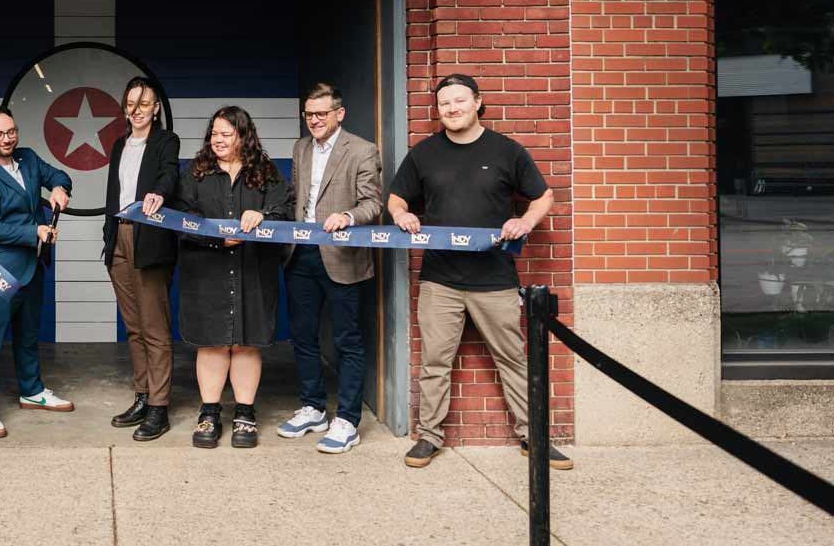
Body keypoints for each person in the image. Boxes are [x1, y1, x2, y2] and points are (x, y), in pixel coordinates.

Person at [387, 73, 570, 470]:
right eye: (444, 103)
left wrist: (525, 221)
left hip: (495, 279)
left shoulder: (507, 151)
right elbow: (396, 198)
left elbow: (543, 197)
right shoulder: (423, 154)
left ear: (477, 102)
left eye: (459, 100)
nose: (452, 109)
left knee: (513, 359)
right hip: (440, 279)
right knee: (435, 363)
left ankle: (535, 437)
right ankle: (429, 437)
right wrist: (401, 215)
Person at [174, 106, 292, 449]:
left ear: (243, 136)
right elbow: (180, 218)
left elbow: (285, 210)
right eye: (214, 134)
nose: (218, 140)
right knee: (211, 342)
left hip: (252, 270)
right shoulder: (194, 173)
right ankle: (209, 413)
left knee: (245, 342)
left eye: (226, 134)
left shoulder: (265, 172)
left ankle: (244, 413)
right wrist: (216, 239)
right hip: (205, 271)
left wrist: (263, 215)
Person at [276, 82, 384, 454]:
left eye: (321, 113)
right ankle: (314, 408)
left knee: (346, 340)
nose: (314, 120)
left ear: (339, 113)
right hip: (300, 254)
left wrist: (348, 216)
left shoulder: (363, 150)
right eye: (309, 114)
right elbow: (296, 197)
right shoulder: (300, 147)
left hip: (342, 256)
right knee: (303, 336)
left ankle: (348, 420)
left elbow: (373, 204)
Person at [0, 105, 75, 439]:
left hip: (32, 266)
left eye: (11, 131)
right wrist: (35, 231)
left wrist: (60, 188)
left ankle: (32, 390)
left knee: (28, 336)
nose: (6, 139)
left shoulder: (28, 158)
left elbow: (59, 175)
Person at [100, 75, 180, 441]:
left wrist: (158, 193)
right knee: (133, 326)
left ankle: (160, 407)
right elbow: (113, 193)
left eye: (144, 103)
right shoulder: (119, 145)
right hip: (119, 236)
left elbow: (169, 173)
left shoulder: (166, 141)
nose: (137, 110)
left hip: (148, 238)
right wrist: (109, 238)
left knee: (154, 327)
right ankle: (143, 396)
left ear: (156, 108)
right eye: (131, 104)